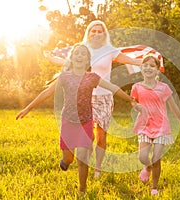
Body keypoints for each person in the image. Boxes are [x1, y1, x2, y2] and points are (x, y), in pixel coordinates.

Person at [16, 44, 139, 193]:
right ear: (71, 58)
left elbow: (113, 88)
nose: (80, 56)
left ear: (88, 60)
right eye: (77, 54)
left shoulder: (92, 77)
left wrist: (130, 100)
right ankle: (66, 161)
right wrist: (28, 108)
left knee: (82, 157)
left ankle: (82, 190)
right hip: (68, 121)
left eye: (83, 54)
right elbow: (47, 92)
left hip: (85, 121)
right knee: (69, 158)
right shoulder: (65, 76)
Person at [44, 20, 142, 178]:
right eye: (93, 31)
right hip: (85, 97)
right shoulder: (84, 49)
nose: (96, 33)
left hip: (105, 98)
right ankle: (85, 162)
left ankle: (98, 168)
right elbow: (71, 62)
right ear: (88, 33)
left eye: (99, 31)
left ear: (104, 34)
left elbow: (129, 60)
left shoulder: (110, 50)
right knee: (87, 135)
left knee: (101, 135)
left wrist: (144, 62)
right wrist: (54, 60)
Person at [130, 54, 180, 195]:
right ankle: (147, 168)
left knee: (156, 158)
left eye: (152, 65)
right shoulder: (136, 87)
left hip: (160, 126)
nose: (148, 68)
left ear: (158, 70)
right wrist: (137, 107)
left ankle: (154, 187)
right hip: (144, 125)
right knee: (142, 157)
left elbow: (174, 108)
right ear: (141, 68)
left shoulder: (164, 88)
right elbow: (133, 101)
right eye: (145, 65)